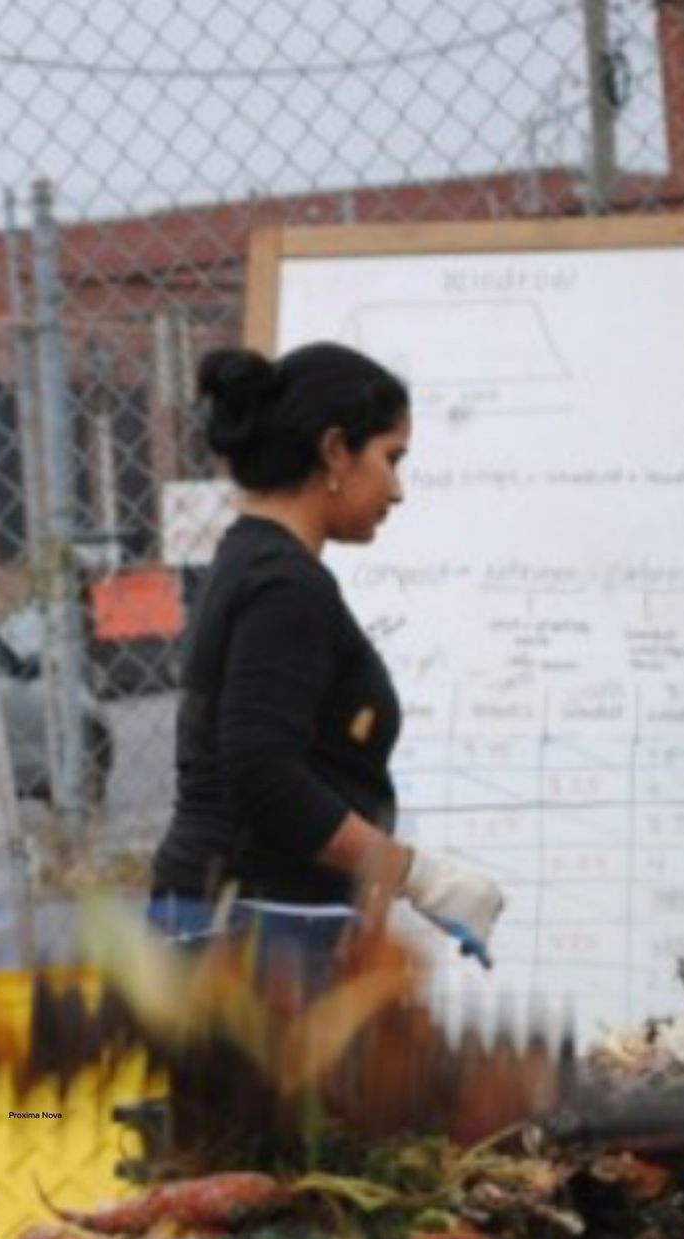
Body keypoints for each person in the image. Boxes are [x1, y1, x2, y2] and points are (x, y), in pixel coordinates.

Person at [147, 342, 505, 982]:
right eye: (391, 458)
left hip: (234, 918)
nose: (397, 490)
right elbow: (262, 770)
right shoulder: (285, 586)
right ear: (336, 450)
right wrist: (416, 875)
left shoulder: (251, 563)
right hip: (259, 931)